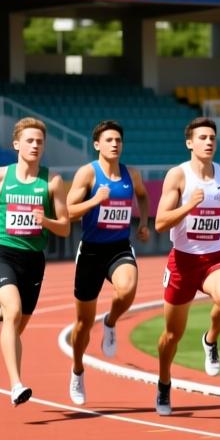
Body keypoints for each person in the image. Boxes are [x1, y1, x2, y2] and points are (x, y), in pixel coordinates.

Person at [0, 117, 70, 406]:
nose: (35, 145)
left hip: (34, 262)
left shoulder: (52, 182)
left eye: (39, 141)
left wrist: (46, 220)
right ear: (16, 145)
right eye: (29, 141)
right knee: (14, 312)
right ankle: (16, 385)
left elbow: (65, 227)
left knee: (17, 325)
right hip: (4, 254)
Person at [151, 117, 220, 415]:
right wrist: (189, 205)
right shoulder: (177, 176)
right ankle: (164, 382)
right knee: (171, 336)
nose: (209, 141)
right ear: (190, 143)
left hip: (215, 257)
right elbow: (161, 222)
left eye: (212, 137)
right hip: (182, 261)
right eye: (202, 137)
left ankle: (211, 338)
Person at [64, 120, 151, 406]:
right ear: (97, 145)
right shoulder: (88, 174)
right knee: (82, 325)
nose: (115, 144)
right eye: (109, 140)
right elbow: (69, 210)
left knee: (127, 290)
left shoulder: (132, 174)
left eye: (118, 140)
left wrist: (143, 222)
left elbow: (142, 196)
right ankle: (77, 369)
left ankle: (111, 321)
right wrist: (94, 201)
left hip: (118, 248)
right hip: (90, 252)